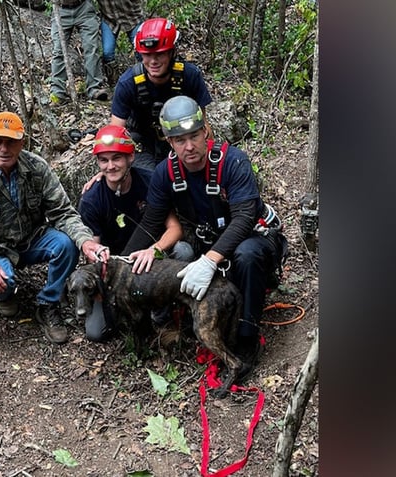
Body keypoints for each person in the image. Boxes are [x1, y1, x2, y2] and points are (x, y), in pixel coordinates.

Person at [121, 96, 289, 376]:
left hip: (255, 237)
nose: (189, 147)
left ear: (205, 131)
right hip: (210, 241)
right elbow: (151, 221)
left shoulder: (233, 162)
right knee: (185, 253)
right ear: (169, 142)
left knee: (246, 256)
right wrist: (120, 263)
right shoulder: (166, 173)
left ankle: (247, 337)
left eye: (194, 137)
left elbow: (245, 218)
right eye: (179, 140)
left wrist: (210, 261)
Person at [0, 111, 109, 344]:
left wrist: (86, 241)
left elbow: (62, 212)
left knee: (66, 245)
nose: (4, 148)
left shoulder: (37, 168)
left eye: (11, 141)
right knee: (1, 285)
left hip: (33, 239)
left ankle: (48, 303)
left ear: (23, 142)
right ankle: (2, 293)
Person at [78, 124, 193, 341]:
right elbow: (92, 251)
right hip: (116, 270)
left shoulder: (150, 182)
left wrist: (153, 250)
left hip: (152, 261)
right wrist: (102, 260)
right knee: (97, 332)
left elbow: (175, 229)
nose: (110, 166)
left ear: (131, 158)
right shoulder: (92, 199)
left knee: (183, 251)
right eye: (104, 160)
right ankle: (128, 313)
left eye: (117, 158)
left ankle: (163, 316)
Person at [109, 17, 213, 170]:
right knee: (149, 181)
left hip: (181, 138)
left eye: (159, 54)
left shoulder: (190, 76)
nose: (153, 61)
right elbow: (116, 132)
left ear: (172, 52)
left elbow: (202, 124)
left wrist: (212, 160)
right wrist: (107, 172)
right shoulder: (128, 83)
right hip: (142, 144)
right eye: (147, 55)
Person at [49, 0, 108, 104]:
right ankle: (57, 92)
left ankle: (94, 88)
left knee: (91, 48)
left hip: (84, 7)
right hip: (60, 9)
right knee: (58, 52)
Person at [95, 0, 144, 66]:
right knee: (107, 53)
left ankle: (146, 73)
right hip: (109, 19)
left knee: (142, 50)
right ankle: (112, 75)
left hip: (132, 18)